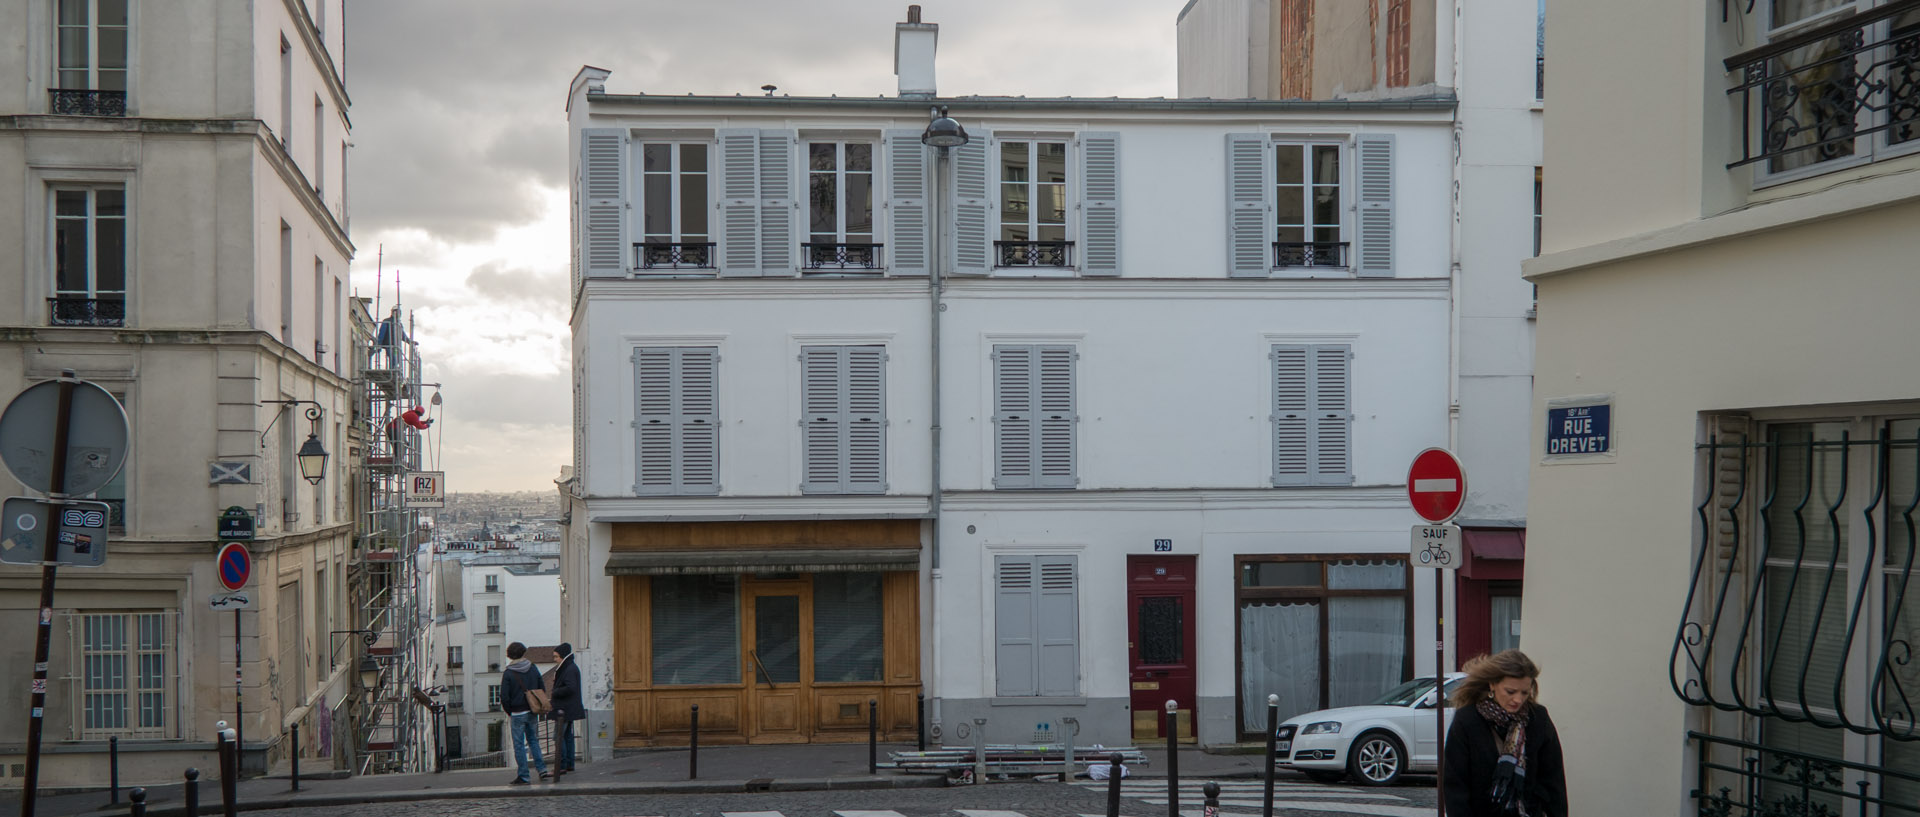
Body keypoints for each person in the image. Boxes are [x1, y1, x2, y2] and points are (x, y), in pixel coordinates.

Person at [1444, 649, 1567, 816]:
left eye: (1524, 692)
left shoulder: (1538, 719)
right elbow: (1456, 786)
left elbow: (1554, 781)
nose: (1518, 699)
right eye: (1510, 691)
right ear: (1492, 684)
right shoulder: (1467, 720)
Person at [499, 641, 549, 785]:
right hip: (533, 710)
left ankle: (524, 775)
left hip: (517, 712)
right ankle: (542, 769)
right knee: (534, 740)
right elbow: (541, 687)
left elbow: (504, 697)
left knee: (519, 744)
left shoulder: (509, 673)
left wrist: (510, 711)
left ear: (509, 655)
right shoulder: (533, 668)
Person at [547, 642, 585, 776]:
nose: (555, 659)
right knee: (568, 737)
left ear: (563, 656)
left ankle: (561, 766)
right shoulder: (570, 667)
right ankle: (569, 764)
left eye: (556, 657)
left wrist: (555, 690)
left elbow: (570, 687)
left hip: (563, 709)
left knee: (559, 737)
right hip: (568, 708)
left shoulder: (568, 669)